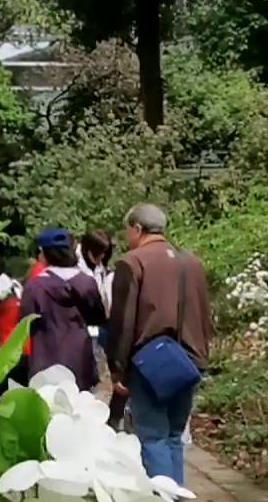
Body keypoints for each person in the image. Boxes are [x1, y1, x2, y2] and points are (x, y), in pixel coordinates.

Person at [107, 204, 213, 486]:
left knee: (152, 435)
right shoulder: (193, 262)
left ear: (137, 229)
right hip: (189, 359)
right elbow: (205, 313)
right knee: (174, 436)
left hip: (149, 362)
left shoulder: (132, 263)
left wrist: (118, 369)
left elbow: (123, 320)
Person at [20, 229, 107, 388]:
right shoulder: (86, 282)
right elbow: (97, 318)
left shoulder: (34, 286)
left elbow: (25, 323)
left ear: (43, 253)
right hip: (79, 357)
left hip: (45, 358)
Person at [80, 230, 124, 425]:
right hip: (87, 327)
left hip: (103, 325)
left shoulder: (100, 269)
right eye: (98, 254)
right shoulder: (79, 268)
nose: (100, 259)